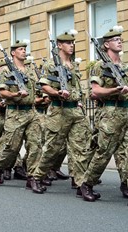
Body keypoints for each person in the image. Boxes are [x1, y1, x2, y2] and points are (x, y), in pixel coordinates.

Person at [29, 30, 94, 194]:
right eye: (67, 43)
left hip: (75, 112)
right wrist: (57, 93)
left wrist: (79, 101)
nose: (71, 45)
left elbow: (78, 88)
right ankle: (36, 178)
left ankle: (81, 184)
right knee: (52, 148)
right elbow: (43, 85)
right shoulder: (51, 65)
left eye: (72, 43)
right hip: (59, 110)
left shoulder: (74, 65)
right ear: (59, 45)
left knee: (79, 148)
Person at [80, 26, 128, 202]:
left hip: (125, 110)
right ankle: (87, 184)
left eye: (120, 39)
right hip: (110, 112)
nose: (120, 41)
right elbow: (95, 92)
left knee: (126, 151)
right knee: (104, 151)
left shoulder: (124, 66)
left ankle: (126, 183)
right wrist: (115, 90)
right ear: (106, 44)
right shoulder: (100, 66)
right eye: (116, 40)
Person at [0, 40, 43, 188]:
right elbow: (1, 91)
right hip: (15, 113)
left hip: (31, 112)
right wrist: (15, 95)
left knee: (35, 145)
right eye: (20, 49)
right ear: (13, 53)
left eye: (24, 49)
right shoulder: (6, 72)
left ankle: (32, 177)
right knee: (12, 147)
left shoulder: (30, 71)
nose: (23, 51)